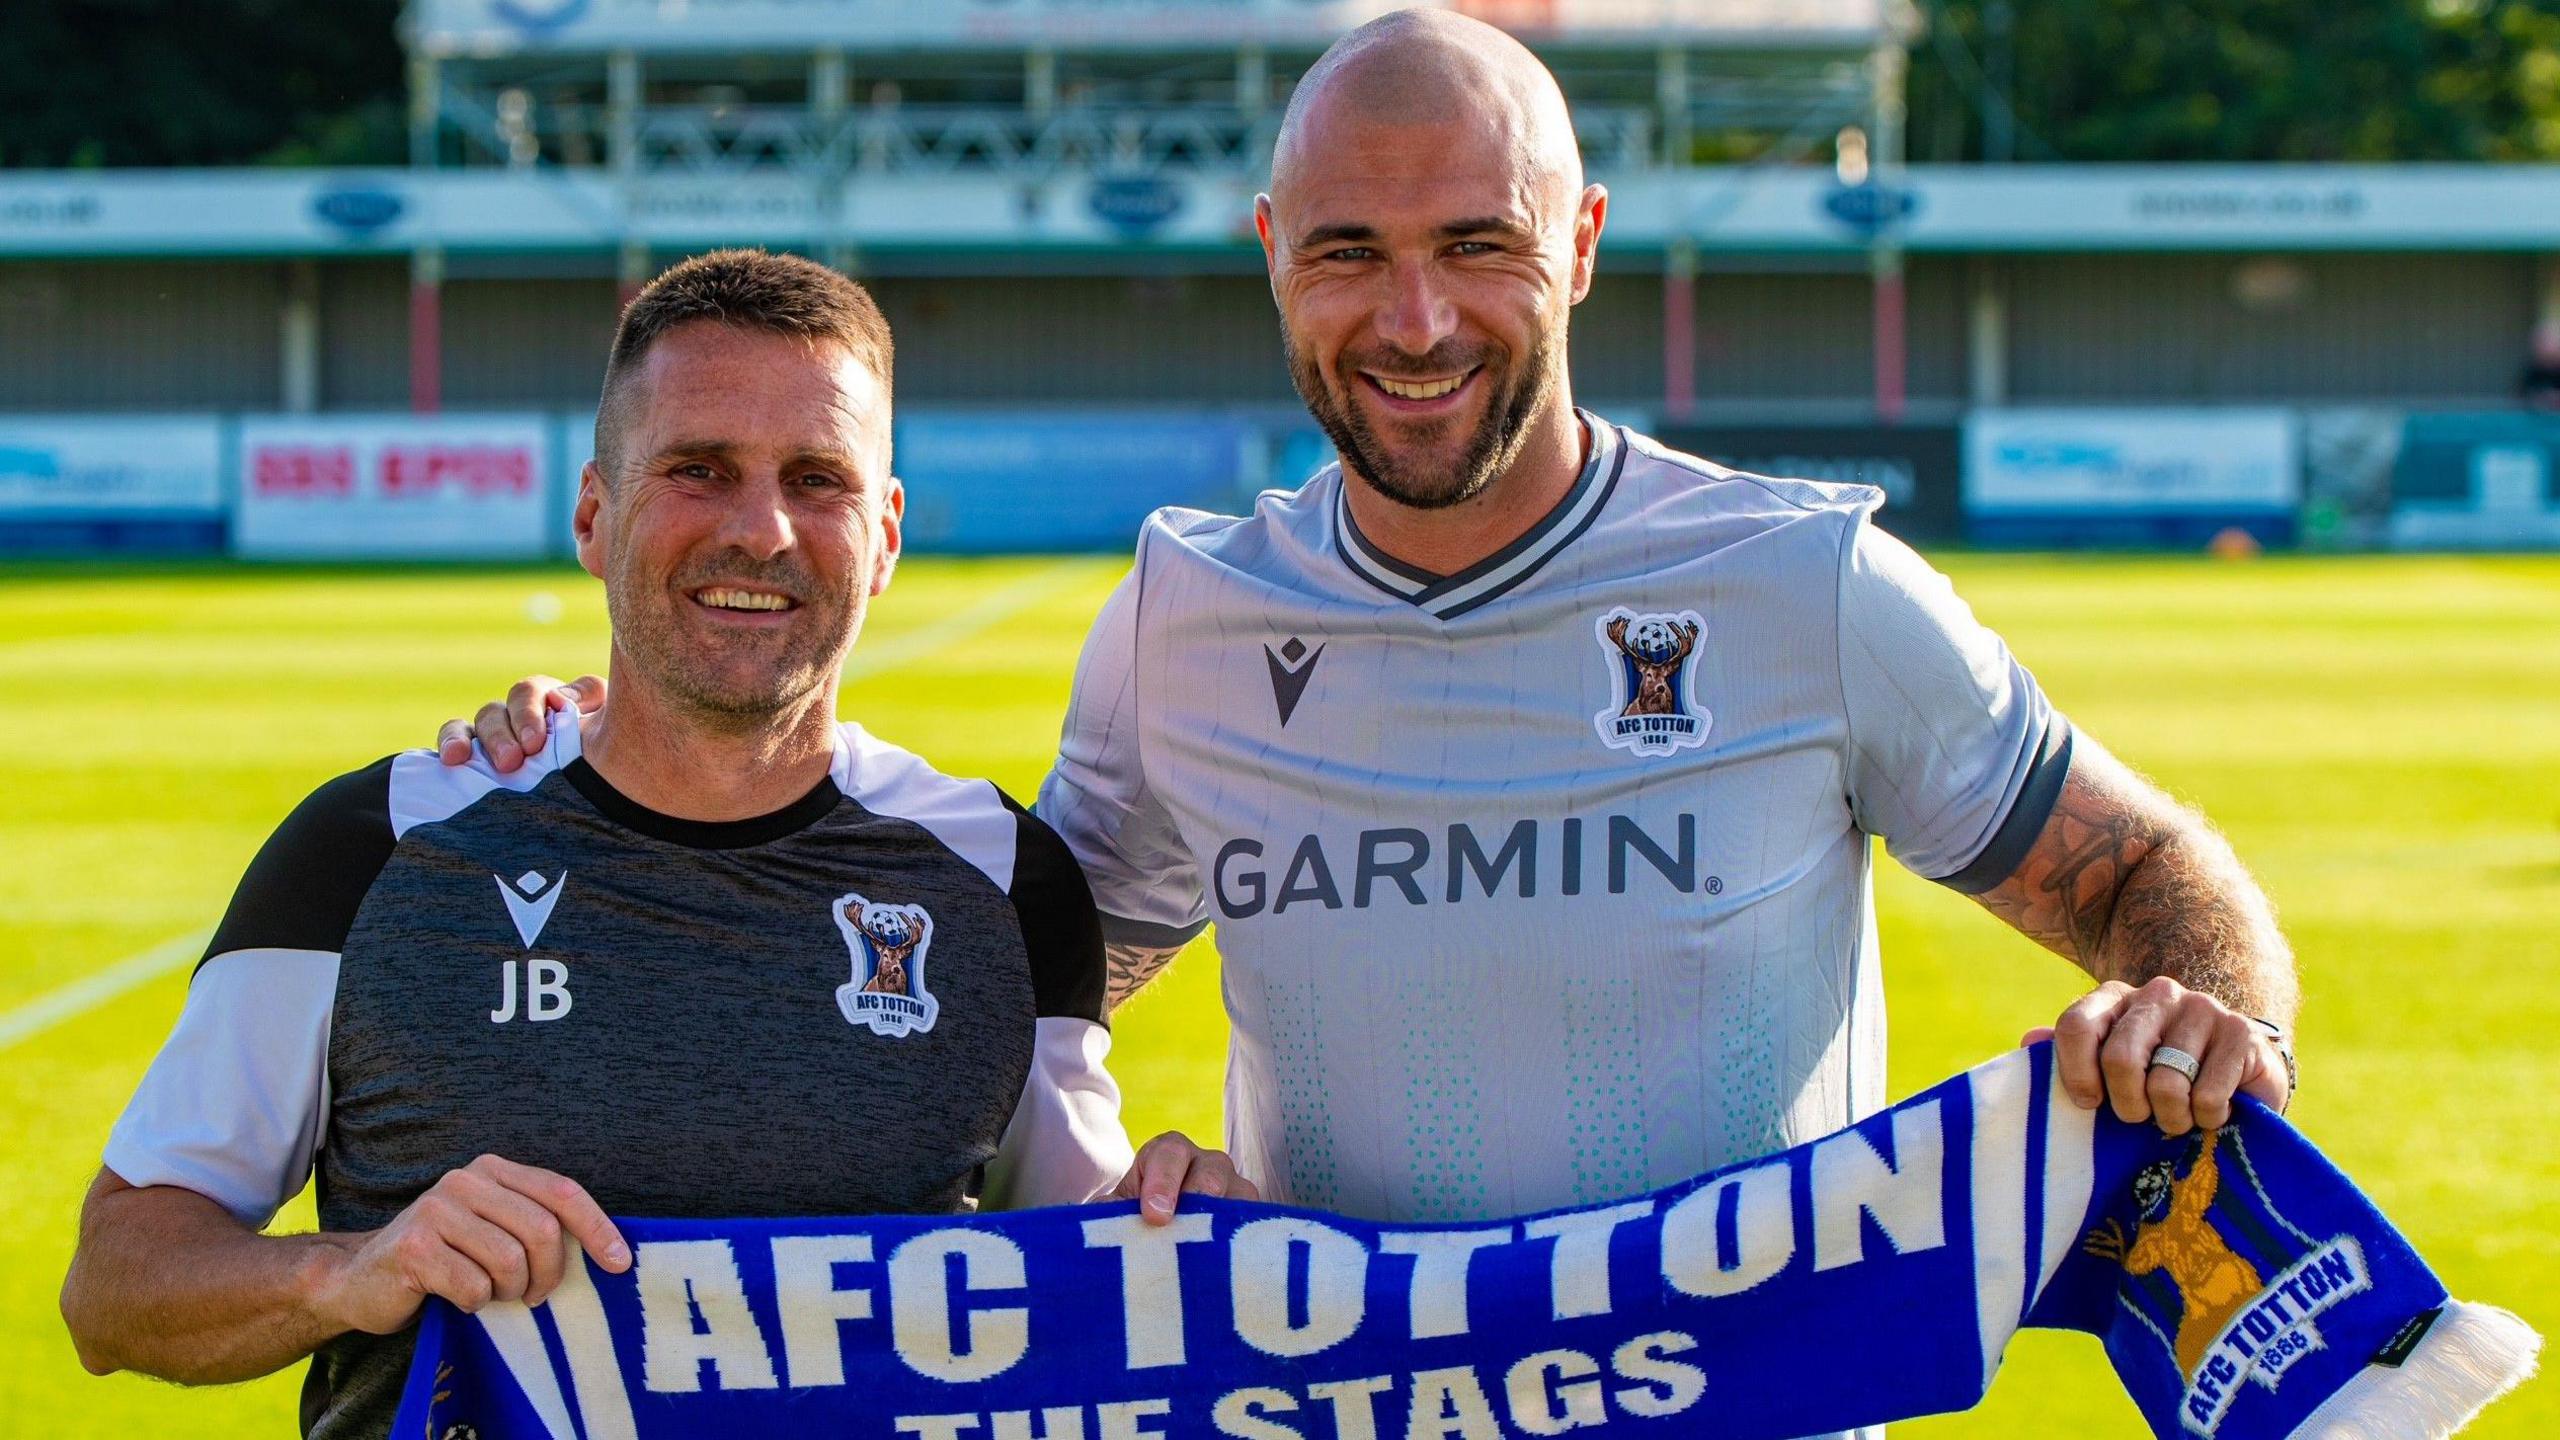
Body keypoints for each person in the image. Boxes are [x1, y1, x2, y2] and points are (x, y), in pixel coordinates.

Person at [449, 12, 2294, 1244]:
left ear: (1576, 243)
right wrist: (617, 767)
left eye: (1475, 246)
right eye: (1348, 254)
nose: (1413, 321)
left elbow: (2144, 865)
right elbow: (973, 983)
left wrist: (2208, 1008)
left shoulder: (1804, 586)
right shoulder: (1189, 617)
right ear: (1271, 252)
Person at [60, 250, 1247, 1440]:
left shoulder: (1004, 881)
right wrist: (348, 1270)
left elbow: (1087, 1274)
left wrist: (1182, 1224)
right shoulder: (372, 848)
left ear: (884, 536)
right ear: (593, 513)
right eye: (698, 470)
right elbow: (116, 1286)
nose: (762, 529)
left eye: (817, 478)